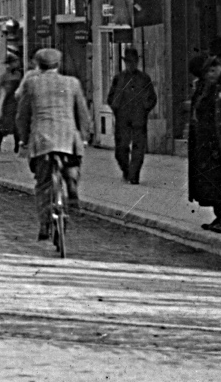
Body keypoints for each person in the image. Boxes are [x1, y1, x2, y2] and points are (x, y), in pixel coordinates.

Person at [11, 47, 97, 241]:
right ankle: (71, 182)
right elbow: (83, 113)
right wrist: (84, 136)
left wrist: (24, 139)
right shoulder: (72, 83)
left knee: (43, 183)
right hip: (67, 137)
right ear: (58, 65)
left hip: (42, 139)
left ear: (38, 65)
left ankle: (44, 224)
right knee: (72, 161)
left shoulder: (32, 84)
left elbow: (22, 116)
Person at [184, 52, 221, 233]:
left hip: (218, 141)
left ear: (213, 69)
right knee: (216, 181)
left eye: (208, 74)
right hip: (210, 141)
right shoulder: (214, 84)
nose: (207, 78)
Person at [106, 52, 158, 185]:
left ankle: (134, 175)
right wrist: (116, 108)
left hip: (138, 118)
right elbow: (111, 97)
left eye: (133, 62)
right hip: (122, 118)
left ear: (137, 62)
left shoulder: (144, 78)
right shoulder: (119, 78)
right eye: (128, 62)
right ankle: (127, 170)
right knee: (121, 149)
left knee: (138, 148)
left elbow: (152, 97)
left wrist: (144, 109)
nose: (130, 65)